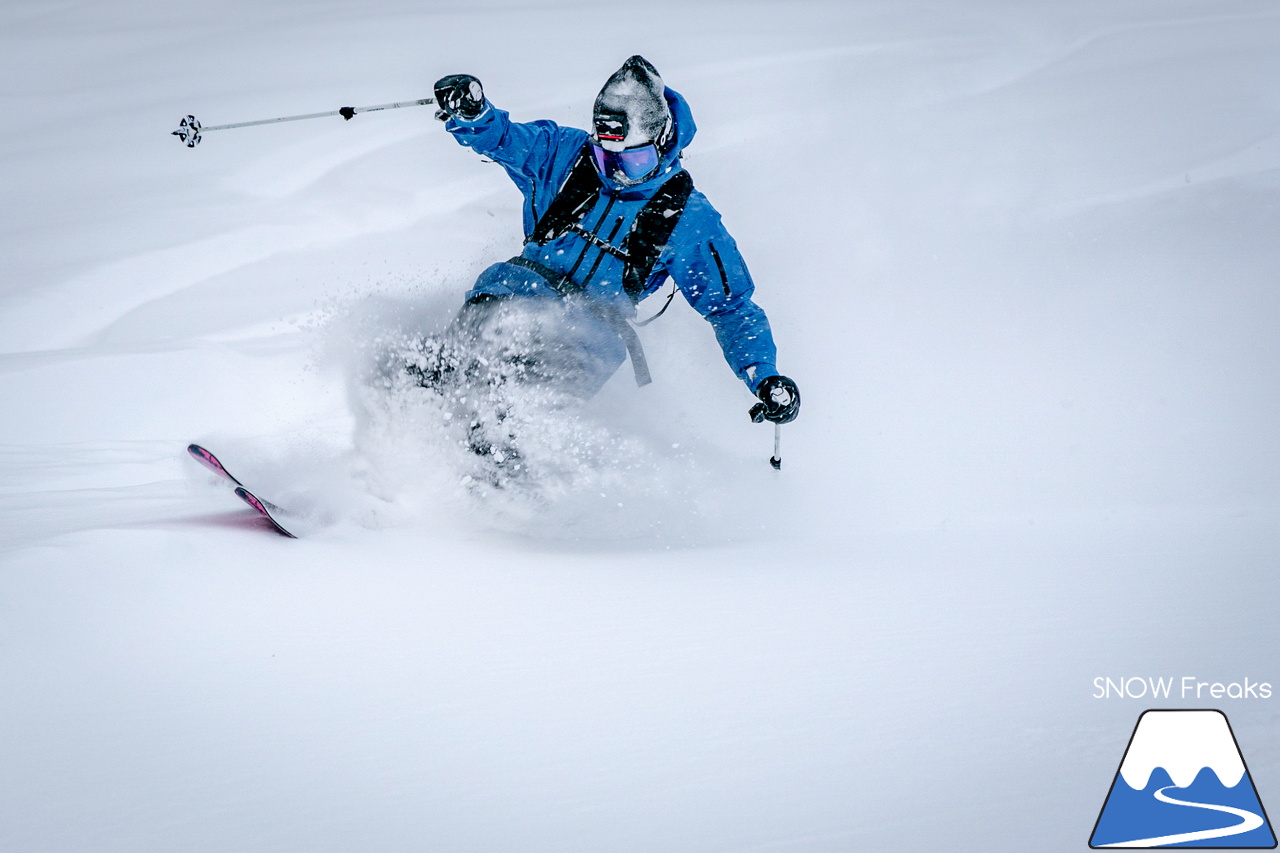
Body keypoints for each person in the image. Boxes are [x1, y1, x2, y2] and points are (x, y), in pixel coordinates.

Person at [414, 56, 799, 465]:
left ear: (664, 143)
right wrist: (474, 115)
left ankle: (500, 471)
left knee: (516, 412)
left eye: (633, 162)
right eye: (605, 158)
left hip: (587, 333)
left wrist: (763, 374)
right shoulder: (563, 155)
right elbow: (504, 138)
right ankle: (423, 404)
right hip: (515, 294)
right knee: (472, 347)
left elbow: (731, 308)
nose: (616, 173)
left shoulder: (688, 219)